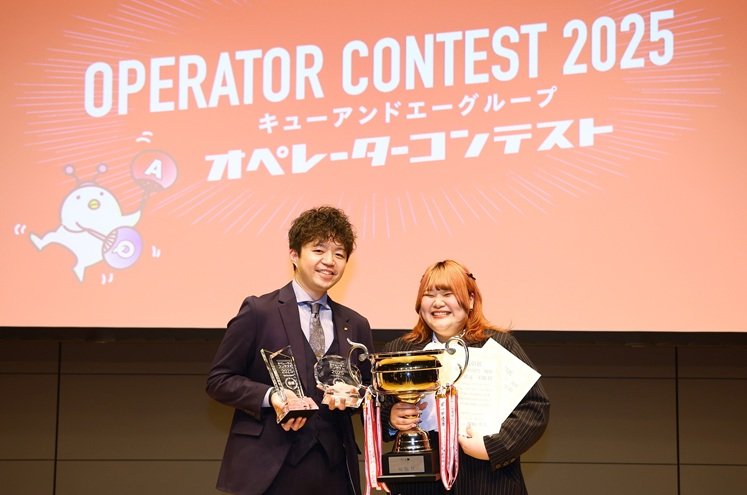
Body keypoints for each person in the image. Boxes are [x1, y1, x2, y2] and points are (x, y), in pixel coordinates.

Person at [206, 206, 375, 495]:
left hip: (334, 468)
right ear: (294, 255)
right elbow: (219, 380)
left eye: (339, 254)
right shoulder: (259, 311)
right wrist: (272, 396)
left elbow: (368, 390)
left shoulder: (355, 323)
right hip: (269, 468)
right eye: (318, 250)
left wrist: (355, 395)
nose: (329, 261)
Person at [382, 260, 550, 495]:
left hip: (487, 481)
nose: (437, 303)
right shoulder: (399, 351)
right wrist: (391, 420)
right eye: (429, 295)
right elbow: (378, 409)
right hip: (419, 485)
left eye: (448, 294)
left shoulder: (498, 345)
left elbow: (535, 407)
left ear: (470, 300)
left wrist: (493, 447)